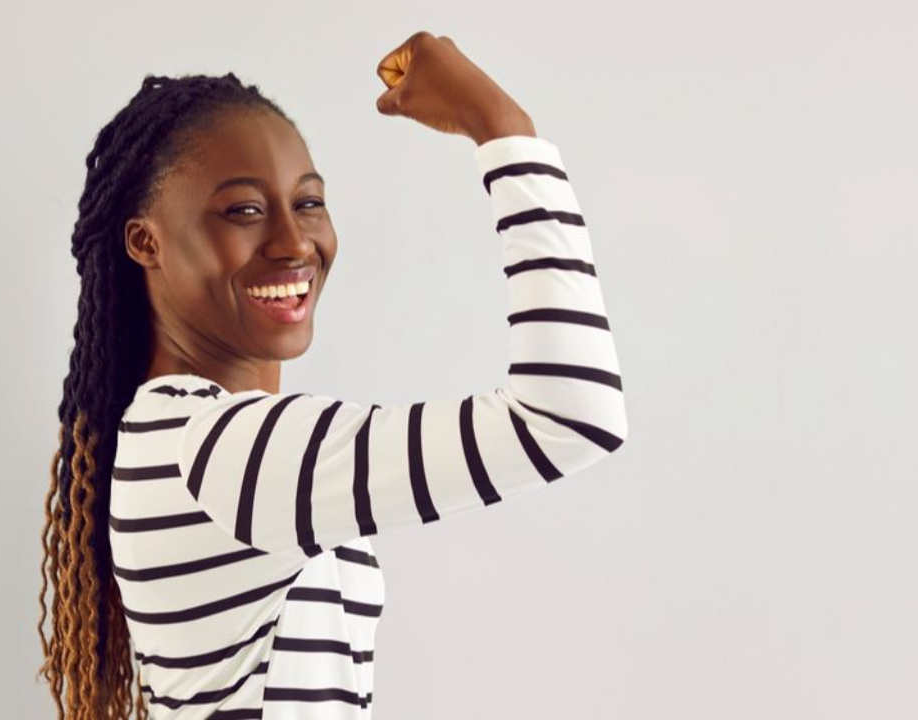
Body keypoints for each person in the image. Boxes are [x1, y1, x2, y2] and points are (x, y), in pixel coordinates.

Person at [38, 30, 629, 720]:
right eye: (244, 211)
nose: (295, 243)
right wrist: (501, 126)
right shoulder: (219, 452)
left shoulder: (175, 436)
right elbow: (570, 415)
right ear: (147, 242)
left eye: (309, 203)